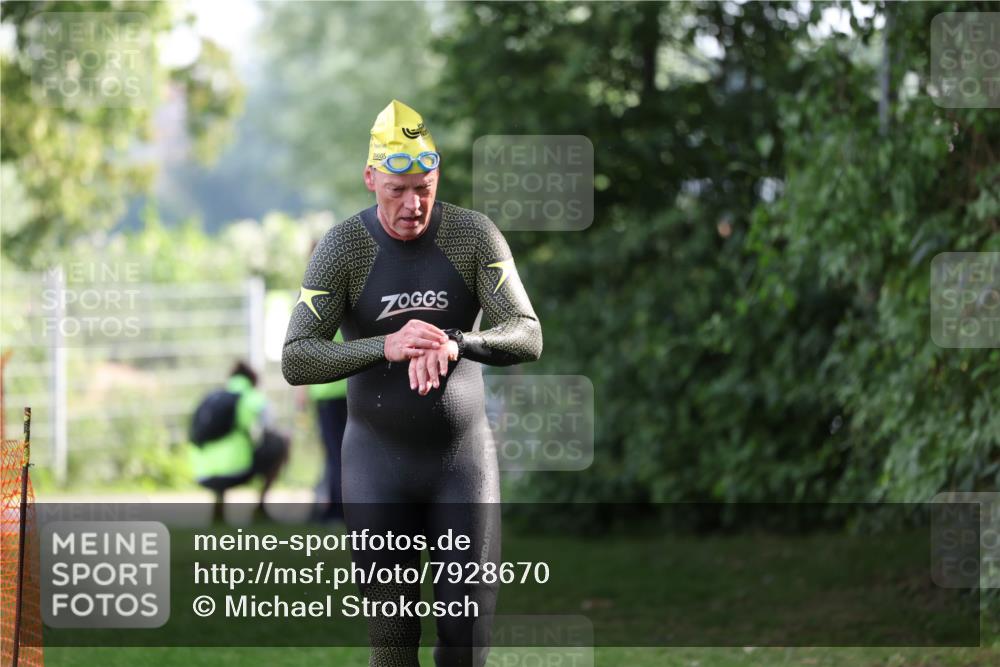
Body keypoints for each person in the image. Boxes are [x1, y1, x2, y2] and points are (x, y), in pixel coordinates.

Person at [282, 99, 542, 667]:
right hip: (378, 468)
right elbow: (296, 358)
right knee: (395, 648)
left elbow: (527, 333)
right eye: (396, 189)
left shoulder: (473, 236)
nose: (411, 204)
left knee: (466, 637)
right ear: (370, 178)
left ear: (437, 175)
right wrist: (386, 345)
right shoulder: (344, 248)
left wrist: (457, 342)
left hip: (462, 466)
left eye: (423, 187)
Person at [190, 361, 290, 522]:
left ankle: (219, 509)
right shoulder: (253, 398)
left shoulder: (212, 398)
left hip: (202, 473)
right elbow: (267, 428)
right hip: (236, 472)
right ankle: (260, 507)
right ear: (253, 381)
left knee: (225, 452)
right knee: (281, 442)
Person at [308, 329, 348, 523]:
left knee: (335, 455)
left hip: (327, 394)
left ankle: (337, 509)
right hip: (348, 391)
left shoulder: (319, 312)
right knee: (343, 453)